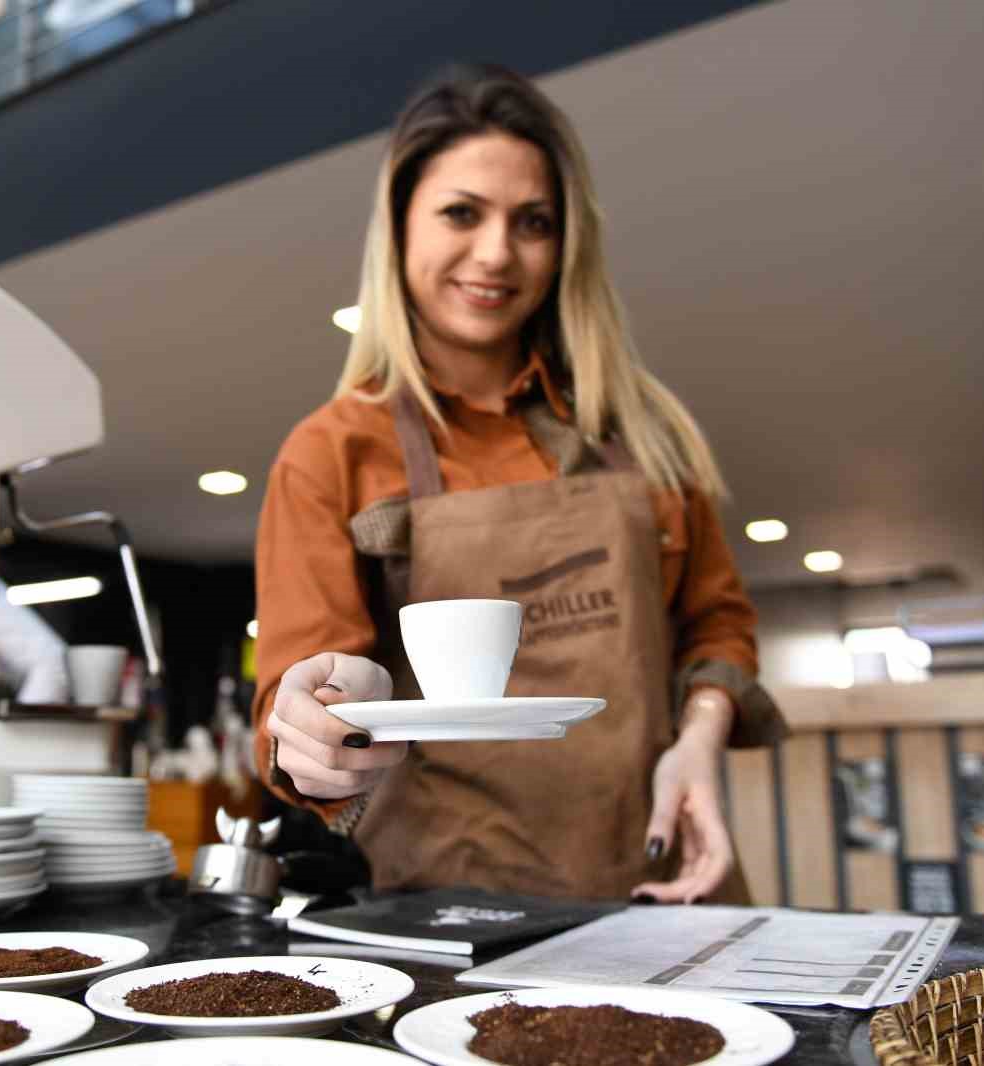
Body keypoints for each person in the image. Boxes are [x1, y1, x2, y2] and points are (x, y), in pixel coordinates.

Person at [250, 64, 787, 904]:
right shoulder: (330, 453)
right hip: (452, 919)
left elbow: (717, 627)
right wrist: (320, 727)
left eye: (532, 222)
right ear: (398, 227)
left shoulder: (641, 433)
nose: (497, 253)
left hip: (669, 891)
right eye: (462, 213)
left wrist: (700, 741)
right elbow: (298, 728)